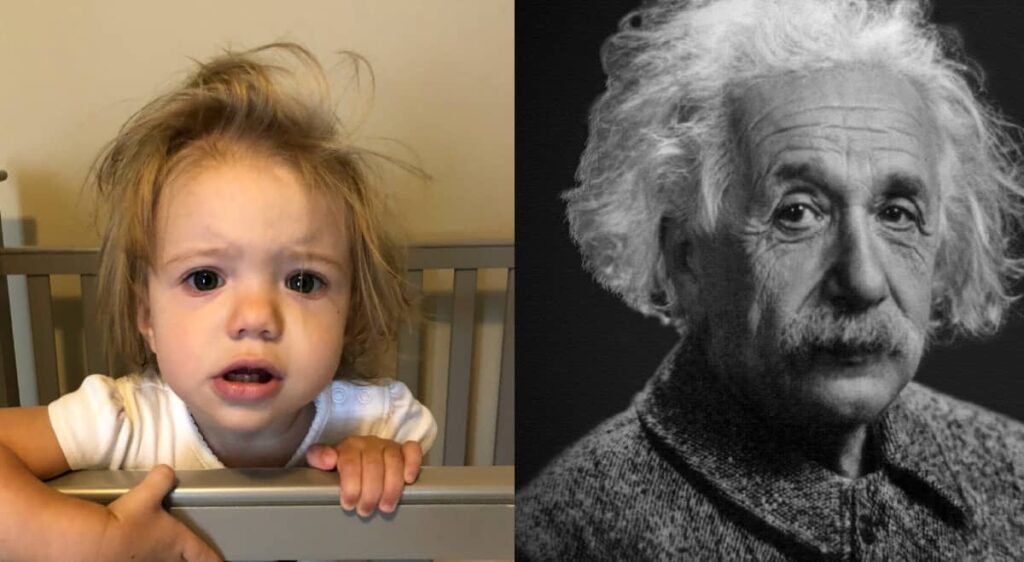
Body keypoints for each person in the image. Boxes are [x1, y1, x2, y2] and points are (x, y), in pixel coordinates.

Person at [517, 0, 1024, 559]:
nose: (863, 280)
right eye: (797, 212)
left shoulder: (1013, 468)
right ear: (686, 258)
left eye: (896, 213)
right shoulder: (561, 537)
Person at [0, 43, 436, 561]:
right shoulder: (122, 422)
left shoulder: (380, 422)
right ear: (147, 317)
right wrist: (86, 541)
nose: (255, 318)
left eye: (302, 281)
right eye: (205, 278)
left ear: (352, 316)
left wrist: (383, 464)